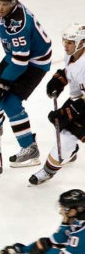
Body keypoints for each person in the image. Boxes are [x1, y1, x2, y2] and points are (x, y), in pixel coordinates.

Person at [0, 0, 52, 167]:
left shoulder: (19, 26)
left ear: (14, 2)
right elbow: (2, 21)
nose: (0, 8)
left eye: (5, 4)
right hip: (17, 55)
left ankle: (30, 149)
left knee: (10, 101)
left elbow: (20, 63)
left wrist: (3, 84)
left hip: (35, 62)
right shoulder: (5, 8)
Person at [29, 23, 85, 185]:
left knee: (66, 138)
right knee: (62, 124)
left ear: (81, 43)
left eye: (70, 42)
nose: (65, 45)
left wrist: (69, 112)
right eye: (65, 41)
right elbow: (70, 71)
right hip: (79, 99)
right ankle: (70, 152)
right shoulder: (72, 55)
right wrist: (59, 79)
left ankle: (48, 171)